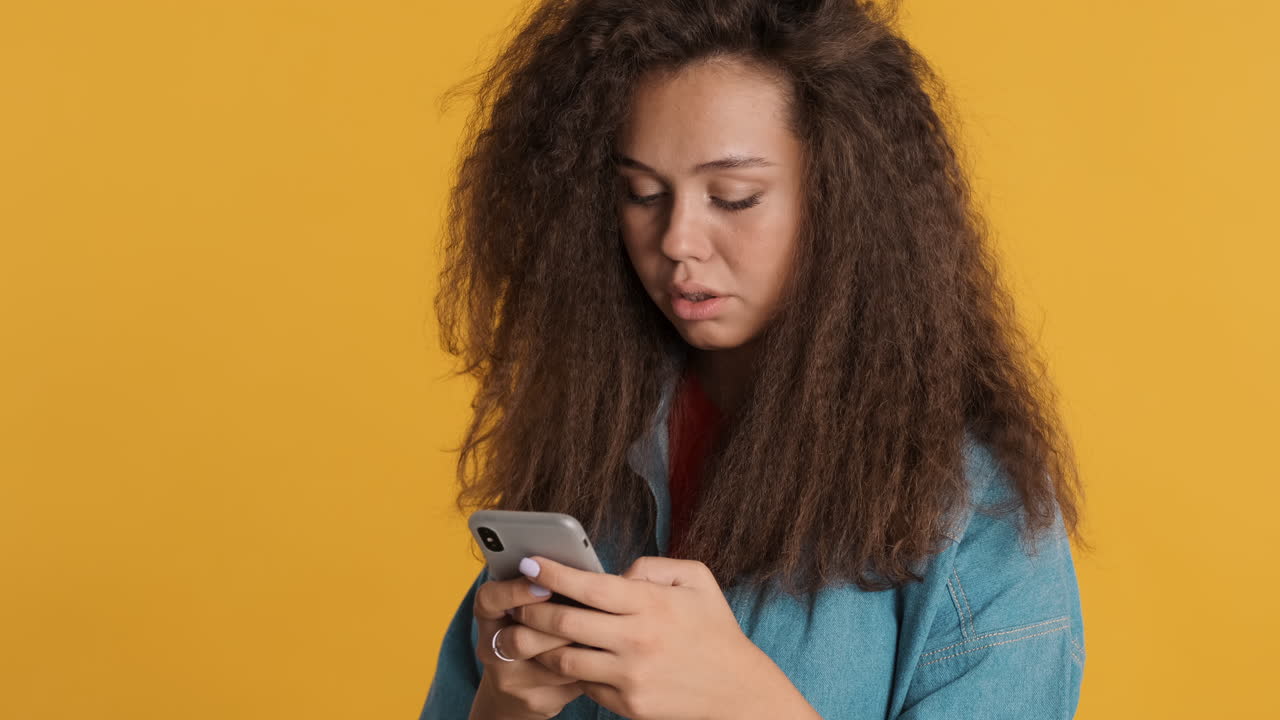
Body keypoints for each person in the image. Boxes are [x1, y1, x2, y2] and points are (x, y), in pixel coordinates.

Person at [422, 1, 1090, 718]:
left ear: (845, 201)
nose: (678, 238)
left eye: (734, 198)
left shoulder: (974, 511)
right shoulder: (588, 447)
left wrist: (743, 703)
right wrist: (503, 705)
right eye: (641, 193)